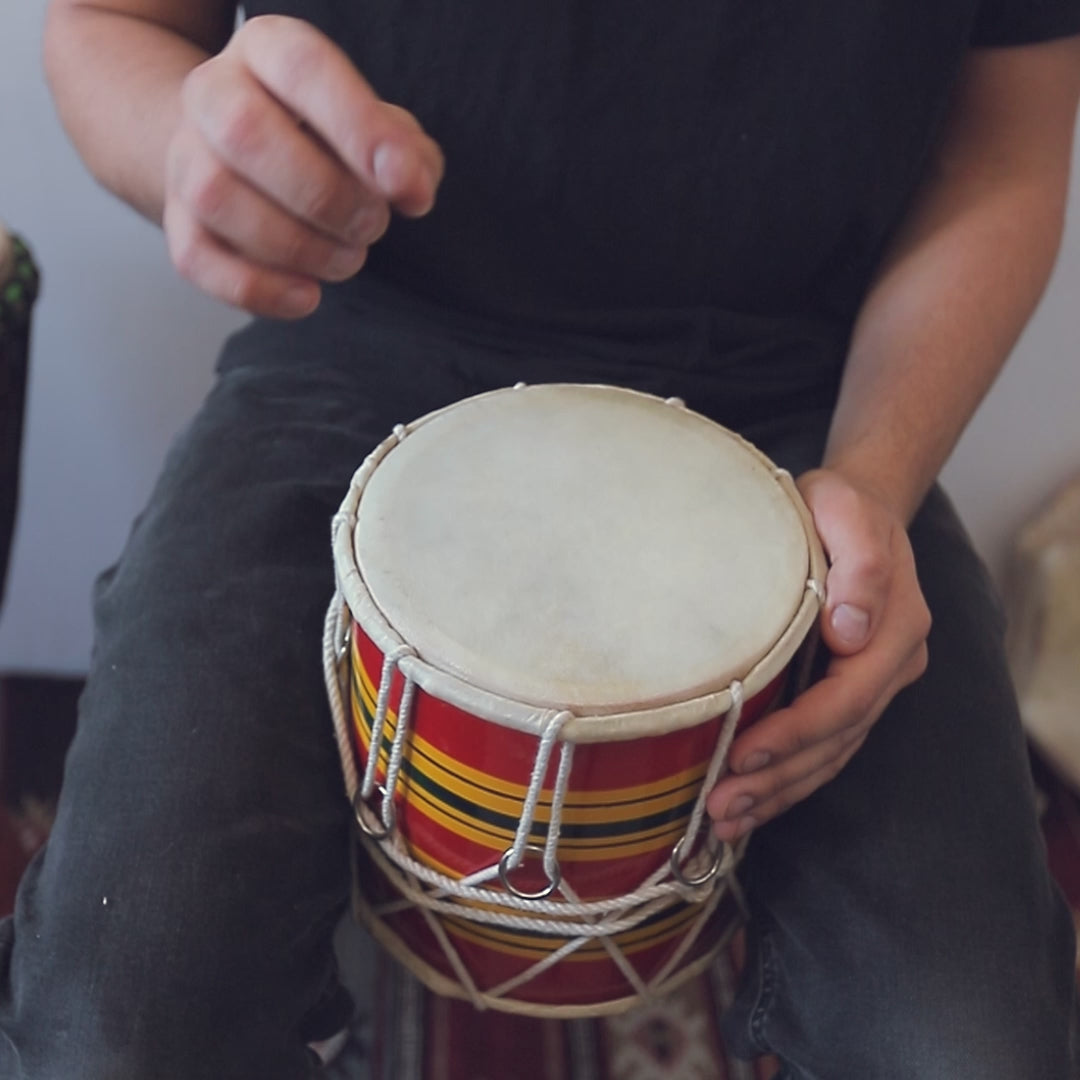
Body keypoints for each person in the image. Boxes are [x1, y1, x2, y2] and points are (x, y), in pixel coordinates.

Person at [5, 0, 1078, 1076]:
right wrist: (183, 136)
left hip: (811, 412)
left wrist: (877, 476)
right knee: (112, 1025)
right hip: (357, 354)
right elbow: (107, 26)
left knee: (968, 1047)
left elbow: (1005, 155)